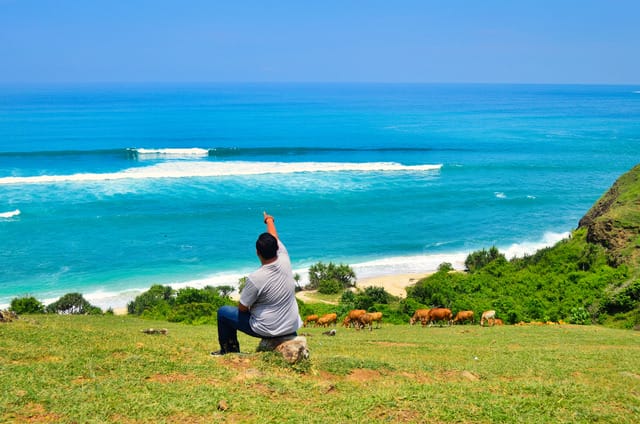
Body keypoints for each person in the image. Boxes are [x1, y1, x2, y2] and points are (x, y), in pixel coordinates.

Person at [212, 211, 303, 355]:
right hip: (291, 325)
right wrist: (269, 220)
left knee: (223, 313)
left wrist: (255, 308)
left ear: (257, 252)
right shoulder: (284, 257)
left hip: (267, 329)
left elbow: (242, 308)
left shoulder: (256, 278)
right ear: (276, 249)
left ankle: (229, 351)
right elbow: (274, 237)